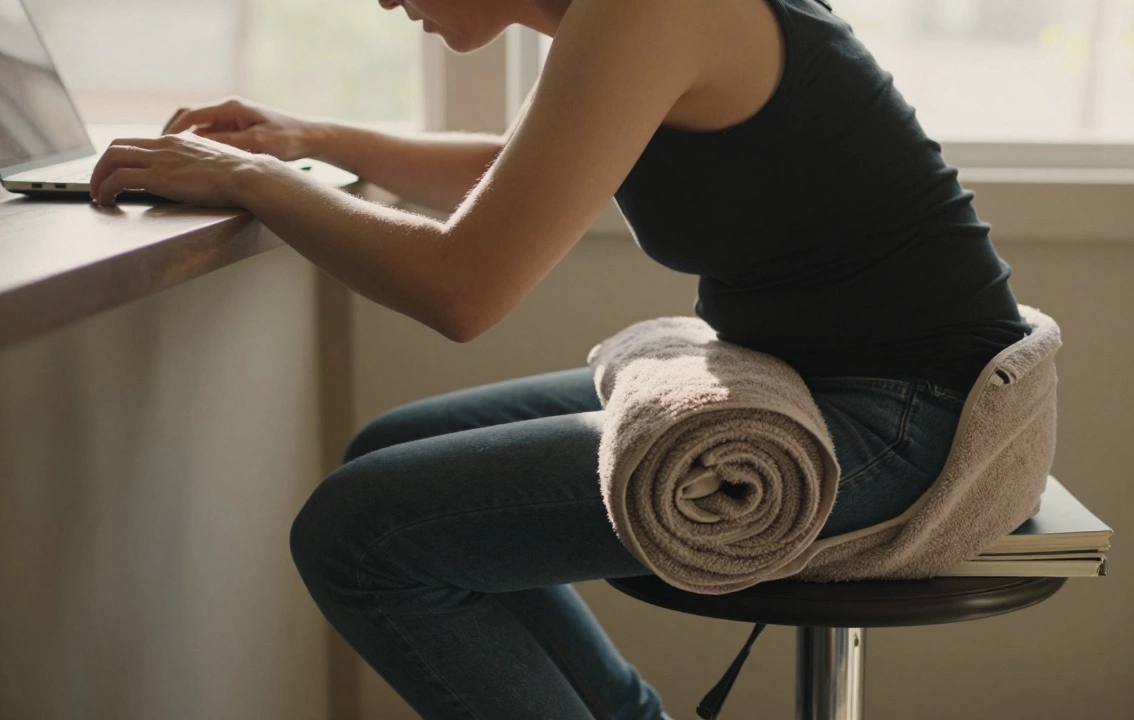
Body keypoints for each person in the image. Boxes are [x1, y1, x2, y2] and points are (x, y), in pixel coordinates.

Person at [90, 0, 1031, 717]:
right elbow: (534, 165)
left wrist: (251, 179)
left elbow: (461, 289)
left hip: (911, 420)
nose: (378, 2)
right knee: (386, 450)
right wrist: (307, 142)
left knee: (359, 534)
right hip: (826, 379)